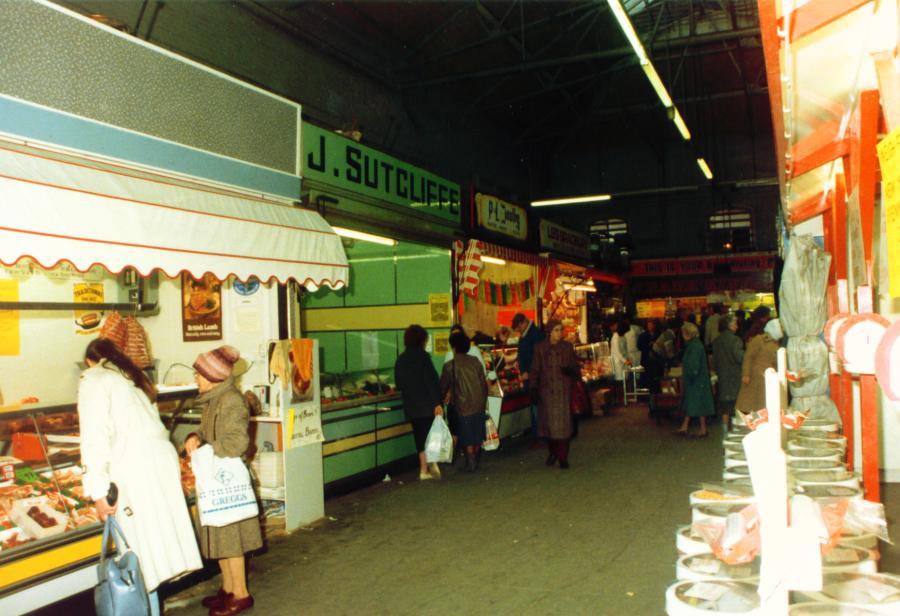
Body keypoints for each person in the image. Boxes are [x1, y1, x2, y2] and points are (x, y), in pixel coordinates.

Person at [78, 338, 201, 616]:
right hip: (157, 469)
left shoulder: (93, 378)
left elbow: (93, 438)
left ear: (89, 362)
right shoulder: (131, 378)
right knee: (149, 558)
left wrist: (97, 491)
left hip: (132, 472)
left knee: (137, 557)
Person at [184, 346, 262, 616]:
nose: (195, 378)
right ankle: (228, 588)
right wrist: (194, 437)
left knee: (231, 541)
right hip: (215, 480)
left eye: (199, 374)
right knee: (220, 538)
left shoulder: (231, 400)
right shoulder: (213, 399)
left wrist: (207, 448)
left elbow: (237, 442)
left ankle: (241, 594)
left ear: (214, 376)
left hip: (227, 482)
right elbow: (209, 434)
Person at [395, 324, 444, 480]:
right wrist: (438, 403)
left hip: (412, 406)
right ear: (422, 340)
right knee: (432, 435)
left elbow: (399, 384)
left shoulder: (401, 359)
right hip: (427, 405)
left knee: (419, 438)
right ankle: (432, 461)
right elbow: (432, 381)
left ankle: (423, 470)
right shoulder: (423, 357)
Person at [530, 319, 580, 469]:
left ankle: (563, 458)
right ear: (549, 331)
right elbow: (535, 370)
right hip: (547, 393)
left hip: (563, 392)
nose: (559, 333)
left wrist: (571, 371)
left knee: (563, 428)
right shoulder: (540, 348)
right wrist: (533, 388)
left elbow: (575, 369)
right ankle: (553, 452)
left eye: (561, 330)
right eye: (556, 330)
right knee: (550, 427)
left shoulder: (567, 347)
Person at [440, 331, 488, 472]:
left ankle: (471, 461)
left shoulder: (450, 365)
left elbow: (443, 386)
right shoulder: (475, 361)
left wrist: (440, 400)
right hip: (479, 403)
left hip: (462, 405)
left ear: (454, 348)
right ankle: (475, 458)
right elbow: (483, 384)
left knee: (466, 435)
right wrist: (484, 401)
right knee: (477, 433)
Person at [675, 323, 715, 437]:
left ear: (687, 334)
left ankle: (697, 429)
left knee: (694, 403)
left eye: (683, 333)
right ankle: (689, 427)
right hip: (699, 379)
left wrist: (689, 375)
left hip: (696, 381)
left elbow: (693, 365)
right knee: (696, 404)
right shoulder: (696, 345)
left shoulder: (693, 347)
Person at [735, 318, 782, 416]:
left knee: (763, 402)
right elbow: (748, 357)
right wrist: (746, 374)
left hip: (768, 378)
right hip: (754, 377)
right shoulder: (759, 340)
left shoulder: (775, 343)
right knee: (749, 403)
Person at [511, 312, 544, 447]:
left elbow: (538, 358)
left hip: (535, 380)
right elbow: (523, 354)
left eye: (518, 329)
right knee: (534, 408)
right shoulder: (526, 335)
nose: (518, 332)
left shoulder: (535, 334)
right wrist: (519, 363)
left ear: (522, 323)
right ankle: (537, 436)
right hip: (530, 379)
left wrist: (529, 373)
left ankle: (540, 438)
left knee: (537, 409)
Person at [711, 314, 744, 430]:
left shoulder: (716, 341)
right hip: (735, 376)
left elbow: (714, 361)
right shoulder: (735, 340)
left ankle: (725, 430)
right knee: (737, 405)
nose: (737, 326)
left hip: (722, 376)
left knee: (724, 405)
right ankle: (736, 429)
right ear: (729, 325)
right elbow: (740, 358)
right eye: (735, 323)